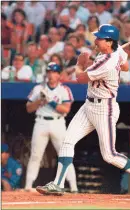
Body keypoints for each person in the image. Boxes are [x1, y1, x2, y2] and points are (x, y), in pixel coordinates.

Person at [36, 24, 130, 196]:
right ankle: (58, 184)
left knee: (109, 155)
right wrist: (119, 55)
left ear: (109, 42)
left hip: (104, 108)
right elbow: (126, 66)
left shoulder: (107, 63)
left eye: (100, 38)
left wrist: (79, 64)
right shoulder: (113, 52)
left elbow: (80, 78)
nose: (96, 40)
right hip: (89, 105)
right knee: (67, 141)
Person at [25, 62, 78, 193]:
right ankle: (28, 185)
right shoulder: (38, 89)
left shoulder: (64, 89)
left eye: (54, 72)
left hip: (58, 123)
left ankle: (73, 187)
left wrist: (50, 101)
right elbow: (28, 108)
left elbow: (65, 109)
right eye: (49, 72)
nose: (51, 74)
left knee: (65, 154)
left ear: (59, 74)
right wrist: (40, 101)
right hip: (41, 122)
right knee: (36, 155)